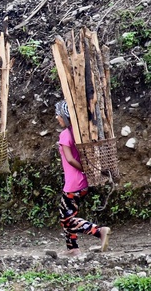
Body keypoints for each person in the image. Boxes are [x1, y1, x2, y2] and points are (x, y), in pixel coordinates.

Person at [54, 100, 110, 256]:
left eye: (58, 115)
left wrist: (85, 170)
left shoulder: (65, 134)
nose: (57, 118)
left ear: (65, 116)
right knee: (67, 215)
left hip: (73, 183)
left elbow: (71, 159)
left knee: (67, 219)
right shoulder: (77, 132)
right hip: (82, 182)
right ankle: (72, 248)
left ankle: (99, 231)